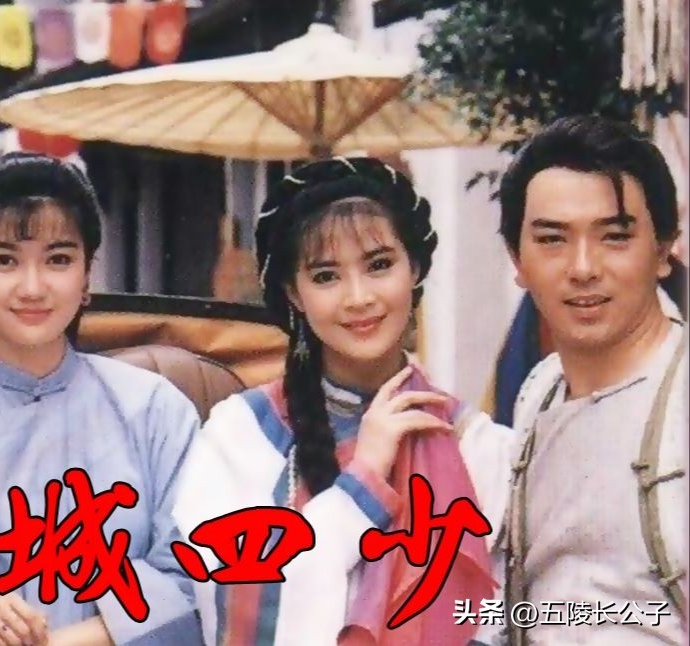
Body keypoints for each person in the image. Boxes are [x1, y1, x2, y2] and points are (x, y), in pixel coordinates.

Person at [173, 157, 515, 645]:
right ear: (294, 293)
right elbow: (232, 602)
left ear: (415, 269)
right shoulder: (241, 436)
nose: (358, 297)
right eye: (326, 276)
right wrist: (363, 483)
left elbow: (496, 619)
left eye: (379, 265)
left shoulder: (477, 445)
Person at [0, 152, 203, 646]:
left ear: (87, 273)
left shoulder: (156, 410)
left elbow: (195, 575)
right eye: (4, 260)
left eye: (58, 259)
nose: (32, 288)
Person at [503, 115, 687, 644]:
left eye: (614, 237)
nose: (583, 268)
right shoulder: (539, 391)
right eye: (552, 239)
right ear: (517, 260)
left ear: (663, 250)